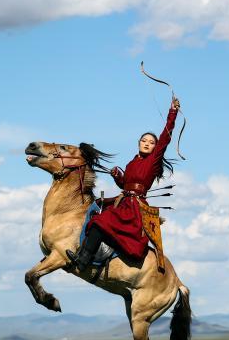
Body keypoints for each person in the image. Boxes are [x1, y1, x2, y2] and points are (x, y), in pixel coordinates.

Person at [67, 95, 179, 272]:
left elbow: (165, 136)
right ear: (138, 143)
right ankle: (84, 256)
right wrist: (117, 176)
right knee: (96, 217)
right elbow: (124, 185)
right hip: (124, 202)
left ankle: (82, 262)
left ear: (155, 147)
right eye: (144, 141)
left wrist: (172, 112)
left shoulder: (153, 161)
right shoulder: (131, 163)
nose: (147, 144)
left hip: (135, 208)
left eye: (151, 143)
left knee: (102, 221)